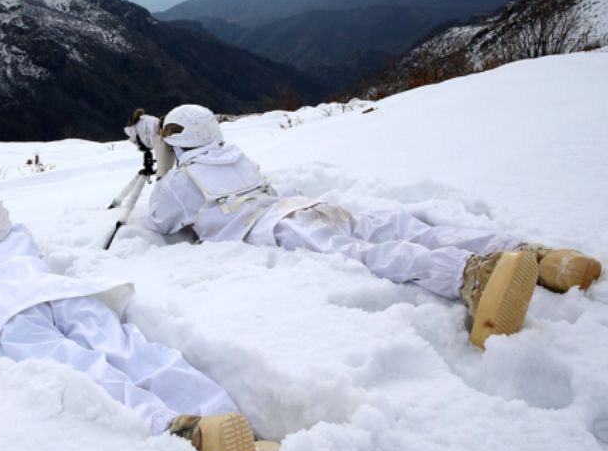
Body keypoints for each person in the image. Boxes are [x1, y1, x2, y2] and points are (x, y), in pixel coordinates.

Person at [131, 104, 602, 348]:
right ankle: (535, 255)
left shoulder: (179, 182)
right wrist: (161, 134)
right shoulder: (233, 154)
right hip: (306, 204)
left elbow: (160, 220)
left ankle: (470, 275)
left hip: (276, 225)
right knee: (402, 227)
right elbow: (183, 132)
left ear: (179, 142)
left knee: (366, 254)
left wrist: (163, 163)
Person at [0, 179, 277, 451]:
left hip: (1, 313)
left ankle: (179, 431)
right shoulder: (17, 233)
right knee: (133, 352)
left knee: (77, 366)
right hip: (59, 293)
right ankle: (231, 422)